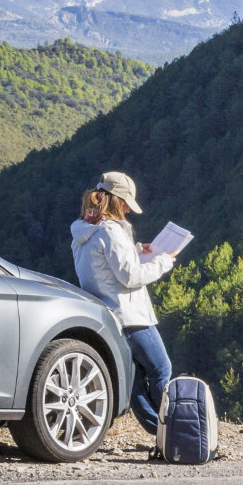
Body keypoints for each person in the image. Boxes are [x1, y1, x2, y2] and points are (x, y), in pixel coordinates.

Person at [69, 171, 181, 436]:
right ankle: (172, 429)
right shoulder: (111, 231)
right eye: (127, 203)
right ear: (118, 201)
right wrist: (163, 262)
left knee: (133, 381)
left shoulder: (83, 230)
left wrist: (138, 250)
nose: (129, 210)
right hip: (131, 315)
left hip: (107, 316)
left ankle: (160, 432)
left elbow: (105, 267)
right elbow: (130, 277)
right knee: (161, 368)